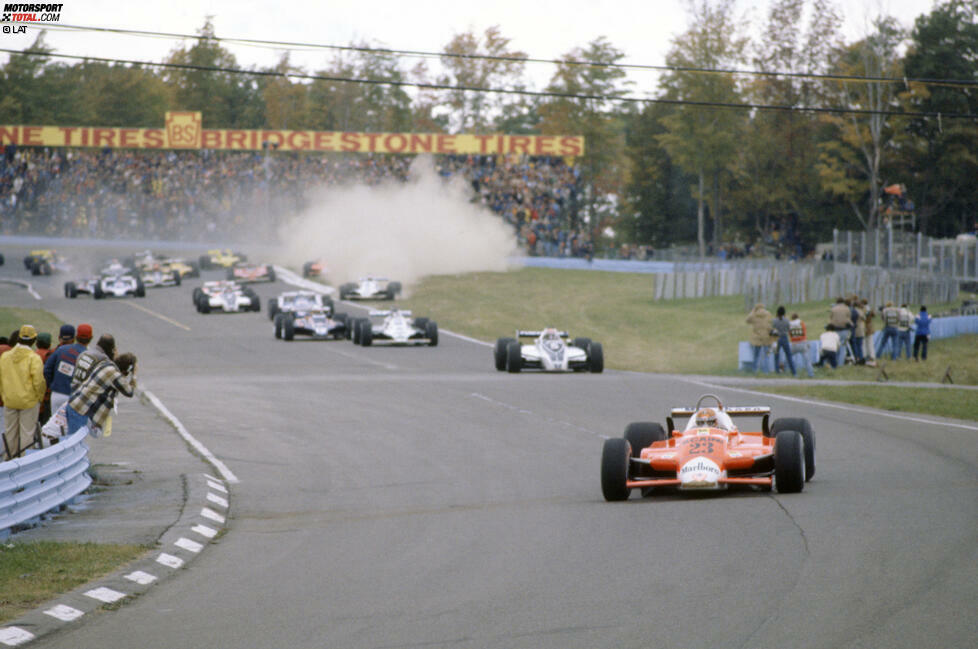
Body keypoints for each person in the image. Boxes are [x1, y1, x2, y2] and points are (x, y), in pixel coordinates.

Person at [0, 325, 46, 460]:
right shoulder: (34, 358)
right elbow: (39, 381)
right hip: (28, 401)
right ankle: (25, 462)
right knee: (27, 434)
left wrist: (4, 395)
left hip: (9, 399)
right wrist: (39, 397)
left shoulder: (5, 357)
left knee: (10, 434)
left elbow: (1, 379)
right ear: (33, 340)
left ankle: (9, 460)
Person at [66, 352, 137, 437]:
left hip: (77, 405)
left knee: (76, 441)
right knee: (73, 441)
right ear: (127, 369)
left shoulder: (106, 364)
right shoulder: (115, 375)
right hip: (81, 410)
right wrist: (134, 375)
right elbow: (129, 392)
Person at [43, 324, 90, 420]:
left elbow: (46, 370)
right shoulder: (89, 356)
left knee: (56, 426)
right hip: (75, 397)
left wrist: (53, 384)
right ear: (91, 338)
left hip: (57, 394)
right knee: (71, 429)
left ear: (76, 337)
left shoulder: (61, 349)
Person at [745, 303, 775, 373]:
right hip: (767, 338)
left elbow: (747, 320)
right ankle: (766, 371)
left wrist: (752, 311)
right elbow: (771, 324)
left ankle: (755, 370)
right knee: (766, 356)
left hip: (757, 338)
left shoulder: (754, 315)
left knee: (756, 356)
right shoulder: (768, 314)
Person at [771, 306, 796, 376]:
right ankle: (794, 372)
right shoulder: (787, 321)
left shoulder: (774, 321)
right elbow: (789, 329)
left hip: (777, 338)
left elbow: (772, 329)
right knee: (789, 356)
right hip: (785, 338)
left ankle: (777, 372)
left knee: (776, 356)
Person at [788, 313, 814, 378]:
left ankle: (789, 372)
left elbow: (789, 333)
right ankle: (811, 374)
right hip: (802, 343)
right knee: (807, 360)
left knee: (788, 357)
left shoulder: (790, 324)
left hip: (794, 344)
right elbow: (804, 332)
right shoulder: (801, 323)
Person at [828, 297, 852, 366]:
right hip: (844, 330)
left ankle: (834, 362)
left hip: (835, 330)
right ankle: (840, 363)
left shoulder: (833, 309)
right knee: (843, 347)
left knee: (835, 346)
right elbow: (849, 318)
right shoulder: (847, 308)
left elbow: (830, 318)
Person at [850, 298, 866, 364]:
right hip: (861, 329)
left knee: (855, 345)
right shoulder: (861, 311)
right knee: (860, 345)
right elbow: (864, 318)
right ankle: (861, 358)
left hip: (855, 329)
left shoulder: (853, 311)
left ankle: (857, 358)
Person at [862, 299, 877, 364]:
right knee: (870, 342)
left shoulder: (863, 309)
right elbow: (874, 315)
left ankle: (865, 355)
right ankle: (872, 355)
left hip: (864, 326)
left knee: (864, 342)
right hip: (870, 326)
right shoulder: (870, 309)